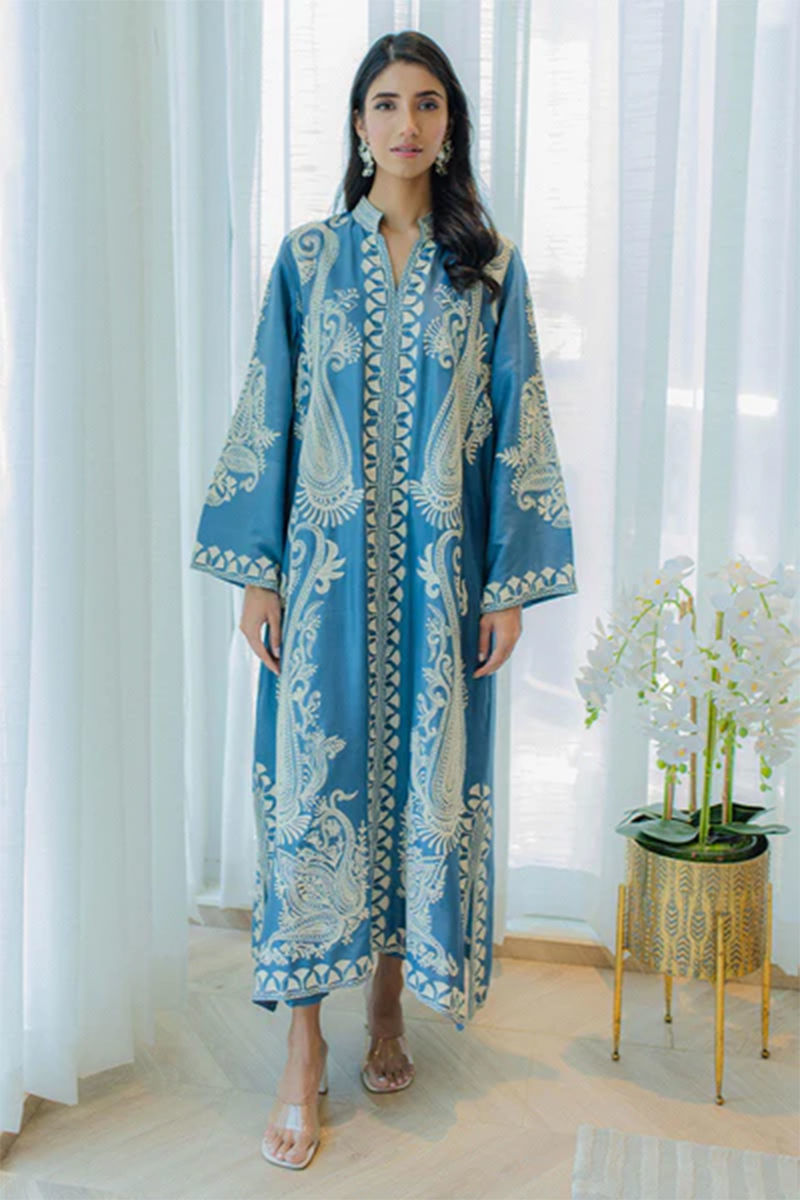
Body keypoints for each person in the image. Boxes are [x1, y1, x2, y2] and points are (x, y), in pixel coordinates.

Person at [189, 29, 578, 1171]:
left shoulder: (488, 269)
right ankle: (302, 1046)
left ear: (449, 125)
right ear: (358, 125)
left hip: (441, 587)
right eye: (386, 103)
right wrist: (258, 573)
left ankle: (390, 1004)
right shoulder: (307, 260)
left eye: (426, 103)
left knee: (421, 786)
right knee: (316, 795)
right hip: (321, 590)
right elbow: (267, 413)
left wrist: (506, 589)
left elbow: (519, 423)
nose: (406, 123)